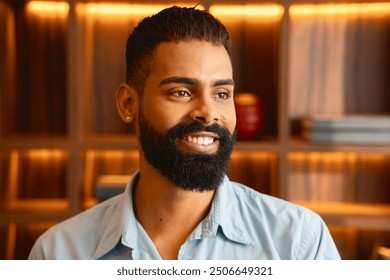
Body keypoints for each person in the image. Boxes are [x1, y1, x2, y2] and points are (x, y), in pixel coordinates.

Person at [29, 6, 340, 260]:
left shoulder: (300, 244)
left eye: (221, 94)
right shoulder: (58, 254)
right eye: (181, 92)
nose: (207, 112)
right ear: (128, 103)